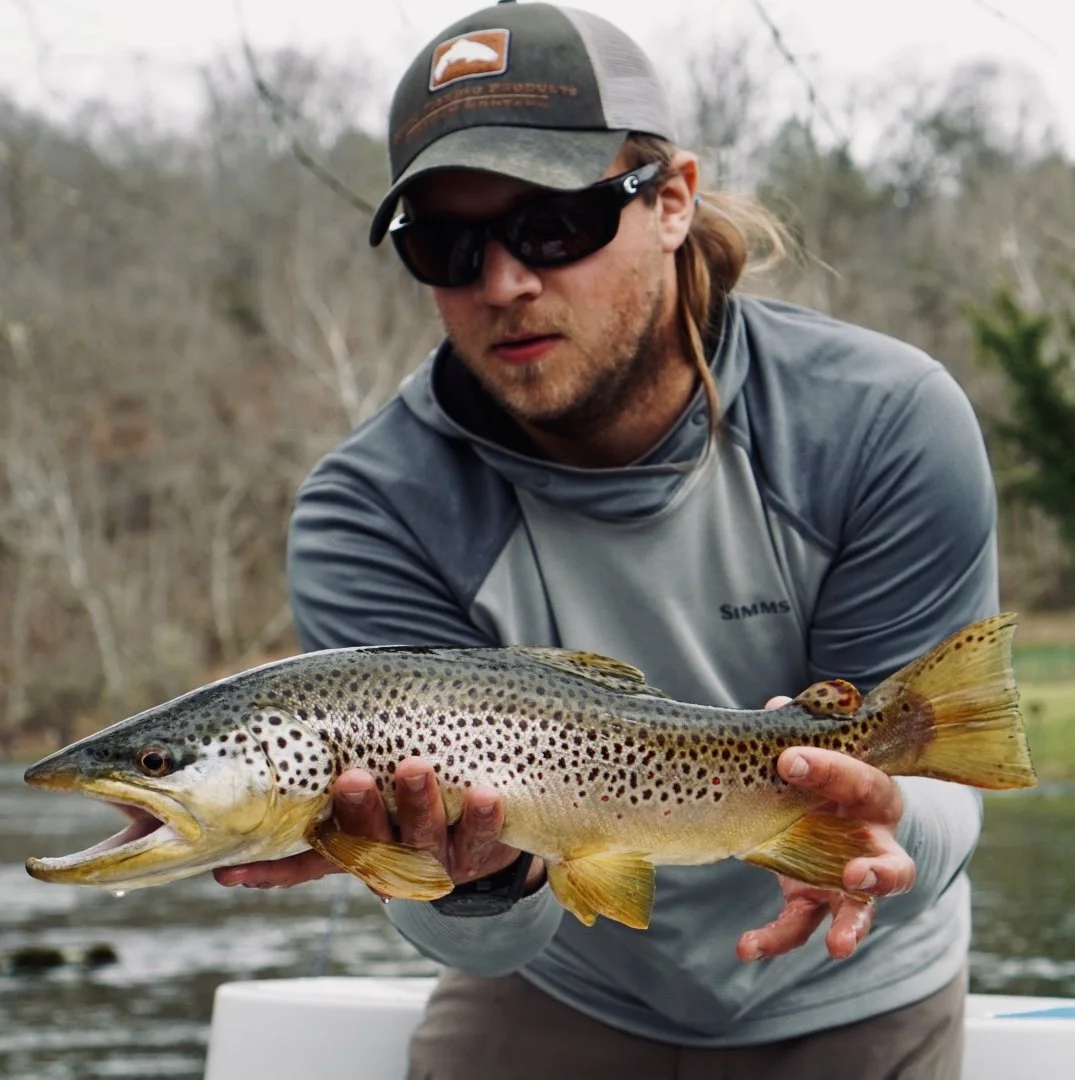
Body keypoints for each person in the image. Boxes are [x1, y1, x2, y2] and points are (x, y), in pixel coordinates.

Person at [214, 3, 999, 1076]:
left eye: (554, 225)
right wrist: (478, 878)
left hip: (855, 974)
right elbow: (477, 933)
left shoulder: (880, 419)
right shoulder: (371, 510)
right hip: (556, 984)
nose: (504, 283)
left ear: (671, 199)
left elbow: (946, 776)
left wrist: (883, 826)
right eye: (446, 245)